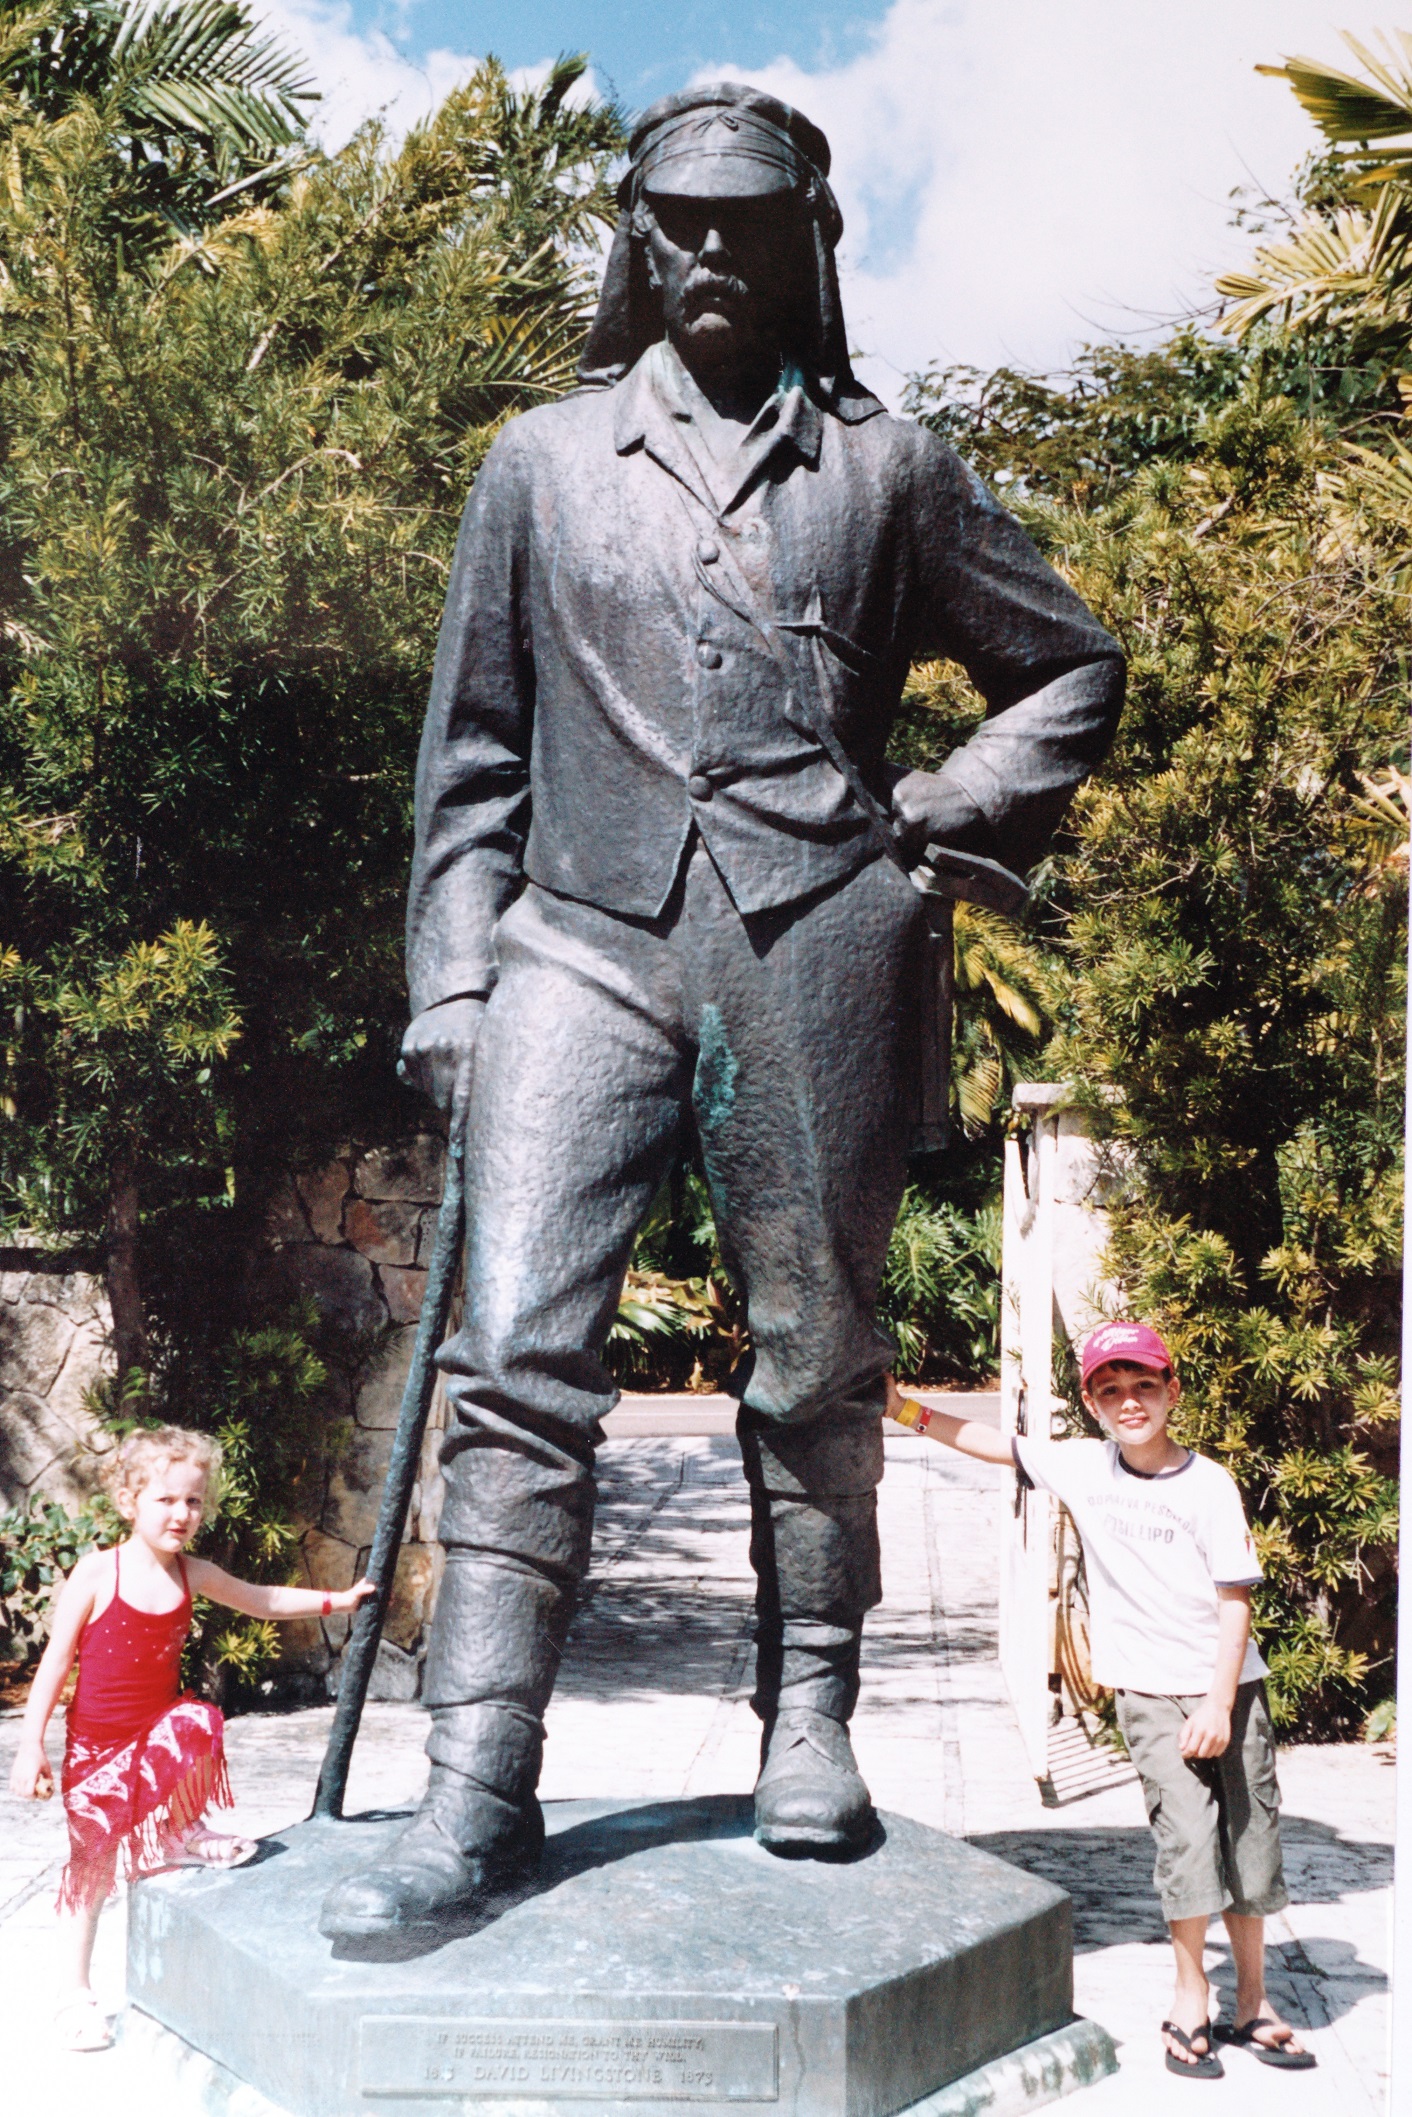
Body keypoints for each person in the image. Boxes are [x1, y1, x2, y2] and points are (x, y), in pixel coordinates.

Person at [320, 80, 1125, 1942]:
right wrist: (452, 972)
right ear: (636, 237)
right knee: (513, 1353)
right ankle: (475, 1782)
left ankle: (814, 1721)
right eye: (675, 220)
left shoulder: (892, 470)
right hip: (578, 945)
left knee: (815, 1354)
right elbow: (472, 764)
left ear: (803, 244)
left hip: (811, 942)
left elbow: (1066, 667)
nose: (706, 251)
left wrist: (929, 810)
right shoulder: (536, 461)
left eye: (744, 224)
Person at [887, 1321, 1316, 2080]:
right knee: (1186, 1842)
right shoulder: (1087, 1467)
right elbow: (997, 1444)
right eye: (1110, 1389)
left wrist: (1219, 1705)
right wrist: (902, 1408)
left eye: (1144, 1384)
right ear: (1091, 1402)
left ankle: (1253, 2004)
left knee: (1251, 1847)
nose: (1130, 1401)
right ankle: (1191, 1998)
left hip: (1229, 1690)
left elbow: (1234, 1603)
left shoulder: (1209, 1485)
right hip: (1150, 1695)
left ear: (1172, 1391)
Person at [7, 1424, 374, 2052]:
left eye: (193, 1501)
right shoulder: (98, 1574)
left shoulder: (193, 1573)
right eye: (166, 1500)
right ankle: (75, 1994)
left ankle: (179, 1829)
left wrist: (334, 1601)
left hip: (155, 1739)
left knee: (197, 1718)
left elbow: (260, 1598)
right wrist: (29, 1744)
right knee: (90, 1871)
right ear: (129, 1502)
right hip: (96, 1754)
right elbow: (54, 1663)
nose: (182, 1514)